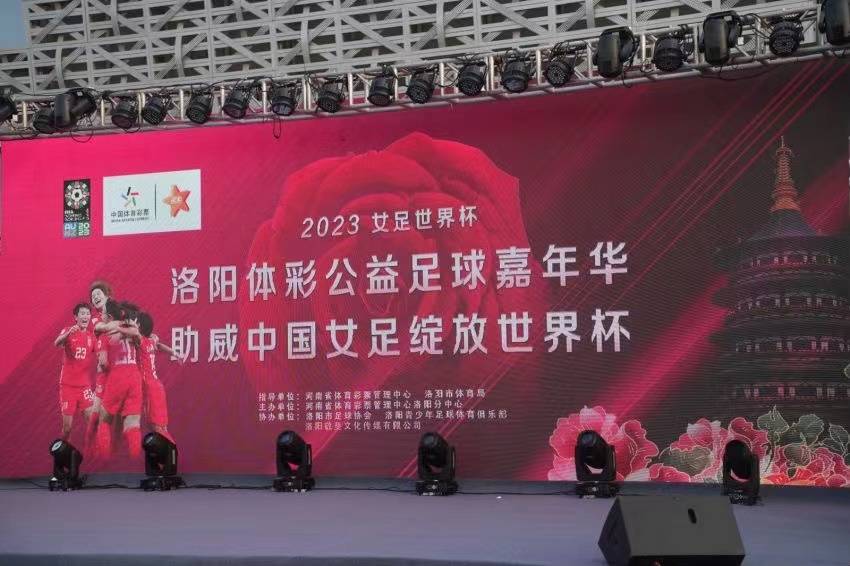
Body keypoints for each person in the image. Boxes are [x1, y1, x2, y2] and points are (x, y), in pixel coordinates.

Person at [94, 299, 143, 460]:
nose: (100, 316)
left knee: (104, 419)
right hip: (134, 375)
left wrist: (103, 369)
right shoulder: (131, 329)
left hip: (118, 375)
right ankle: (135, 460)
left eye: (102, 313)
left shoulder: (105, 334)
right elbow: (139, 339)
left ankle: (104, 460)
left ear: (108, 316)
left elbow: (103, 363)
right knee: (132, 423)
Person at [54, 303, 96, 442]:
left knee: (92, 422)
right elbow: (57, 343)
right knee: (67, 428)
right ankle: (62, 450)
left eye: (88, 314)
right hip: (68, 386)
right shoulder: (68, 331)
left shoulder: (91, 337)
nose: (85, 316)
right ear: (76, 317)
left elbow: (101, 352)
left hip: (84, 387)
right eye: (82, 313)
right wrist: (68, 334)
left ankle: (93, 450)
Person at [137, 311, 181, 442]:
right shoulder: (151, 340)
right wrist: (173, 352)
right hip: (155, 387)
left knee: (158, 429)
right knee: (156, 428)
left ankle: (170, 452)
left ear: (139, 326)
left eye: (135, 322)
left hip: (149, 388)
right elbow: (159, 345)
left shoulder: (140, 341)